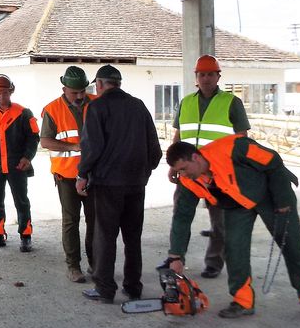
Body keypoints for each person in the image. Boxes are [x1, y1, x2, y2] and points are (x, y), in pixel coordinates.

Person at [165, 137, 300, 320]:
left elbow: (272, 160)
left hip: (270, 194)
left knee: (292, 244)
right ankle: (243, 301)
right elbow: (182, 218)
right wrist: (176, 255)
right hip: (235, 205)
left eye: (184, 169)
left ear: (195, 157)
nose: (183, 174)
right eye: (178, 171)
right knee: (234, 249)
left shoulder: (233, 148)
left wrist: (283, 199)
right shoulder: (188, 182)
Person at [77, 65, 161, 304]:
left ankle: (105, 289)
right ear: (119, 83)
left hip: (107, 184)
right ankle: (133, 287)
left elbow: (92, 147)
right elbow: (154, 148)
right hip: (136, 183)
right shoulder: (139, 106)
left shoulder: (97, 107)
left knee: (105, 237)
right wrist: (144, 172)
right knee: (133, 237)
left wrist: (82, 174)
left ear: (100, 84)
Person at [161, 55, 250, 279]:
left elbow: (242, 138)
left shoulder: (231, 102)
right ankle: (175, 258)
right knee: (181, 215)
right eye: (202, 74)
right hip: (188, 171)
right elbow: (179, 134)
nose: (206, 78)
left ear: (218, 76)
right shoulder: (186, 102)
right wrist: (173, 165)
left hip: (218, 174)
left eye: (210, 74)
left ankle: (213, 263)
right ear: (196, 77)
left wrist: (239, 169)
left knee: (220, 221)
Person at [39, 66, 96, 282]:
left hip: (93, 175)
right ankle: (73, 266)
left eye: (83, 91)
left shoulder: (96, 103)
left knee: (95, 221)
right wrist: (72, 147)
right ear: (64, 89)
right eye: (75, 92)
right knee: (71, 221)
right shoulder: (53, 110)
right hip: (66, 175)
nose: (80, 96)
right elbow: (45, 141)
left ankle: (95, 264)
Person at [0, 74, 39, 251]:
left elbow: (33, 138)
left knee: (21, 201)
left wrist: (27, 157)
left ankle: (26, 236)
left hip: (17, 166)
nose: (2, 96)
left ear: (11, 92)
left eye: (5, 92)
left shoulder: (23, 113)